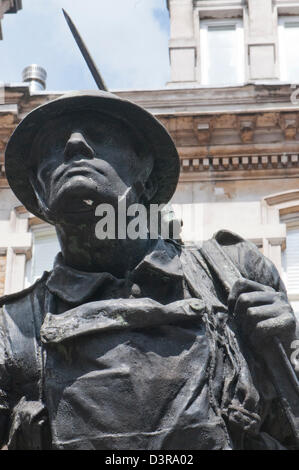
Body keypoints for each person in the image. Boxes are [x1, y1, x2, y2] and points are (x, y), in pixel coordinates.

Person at [0, 91, 298, 450]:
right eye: (51, 144)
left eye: (99, 133)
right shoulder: (11, 330)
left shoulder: (234, 273)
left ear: (143, 167)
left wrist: (283, 357)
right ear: (37, 188)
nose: (75, 144)